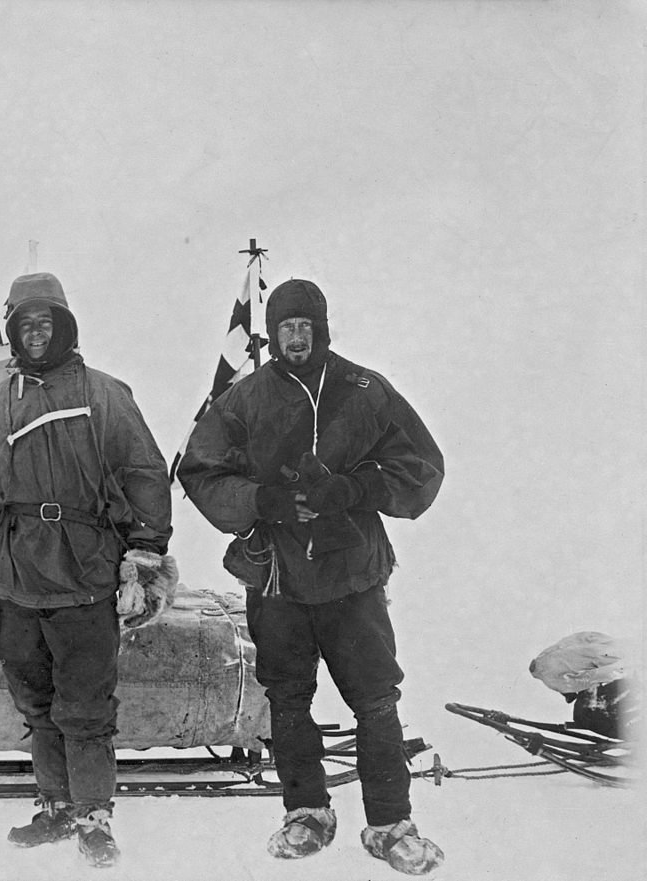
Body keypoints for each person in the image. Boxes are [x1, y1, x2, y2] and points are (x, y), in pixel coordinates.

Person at [178, 278, 446, 876]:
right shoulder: (245, 398)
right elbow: (199, 470)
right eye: (284, 329)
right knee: (288, 700)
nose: (295, 338)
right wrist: (261, 500)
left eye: (305, 327)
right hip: (277, 575)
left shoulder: (365, 389)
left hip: (352, 574)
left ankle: (389, 825)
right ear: (270, 334)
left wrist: (356, 486)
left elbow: (421, 468)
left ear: (321, 329)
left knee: (376, 701)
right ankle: (306, 813)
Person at [0, 272, 176, 869]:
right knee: (36, 704)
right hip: (17, 576)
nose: (36, 334)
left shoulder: (106, 393)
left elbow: (144, 473)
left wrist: (142, 558)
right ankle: (56, 805)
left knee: (86, 706)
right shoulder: (0, 403)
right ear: (12, 331)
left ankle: (94, 812)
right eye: (25, 324)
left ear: (64, 326)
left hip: (86, 571)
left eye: (46, 322)